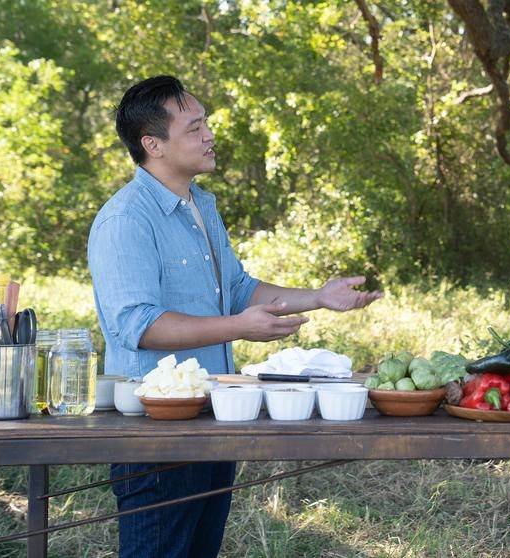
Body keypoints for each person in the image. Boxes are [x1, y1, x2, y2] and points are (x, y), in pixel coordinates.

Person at [87, 75, 382, 558]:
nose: (209, 135)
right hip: (157, 431)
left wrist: (320, 297)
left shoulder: (202, 204)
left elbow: (238, 289)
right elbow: (139, 325)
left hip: (212, 413)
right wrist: (240, 327)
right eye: (195, 127)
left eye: (207, 123)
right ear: (152, 144)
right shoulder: (126, 220)